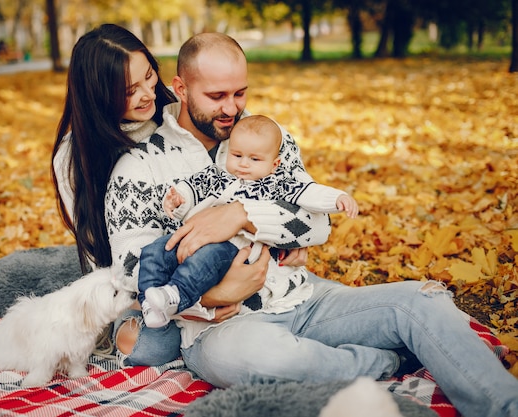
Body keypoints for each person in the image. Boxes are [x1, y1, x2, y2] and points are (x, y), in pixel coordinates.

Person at [105, 32, 518, 417]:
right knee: (264, 359)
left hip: (298, 295)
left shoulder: (266, 135)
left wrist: (244, 215)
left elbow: (316, 225)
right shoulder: (141, 165)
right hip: (221, 329)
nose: (232, 108)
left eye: (241, 92)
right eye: (217, 96)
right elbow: (132, 269)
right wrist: (212, 296)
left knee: (421, 302)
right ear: (180, 89)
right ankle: (385, 361)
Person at [138, 114, 358, 328]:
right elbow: (192, 188)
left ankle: (176, 295)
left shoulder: (276, 184)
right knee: (154, 251)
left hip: (233, 247)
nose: (243, 164)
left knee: (203, 261)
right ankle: (149, 300)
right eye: (237, 155)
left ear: (274, 164)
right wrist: (179, 199)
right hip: (194, 235)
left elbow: (308, 193)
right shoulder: (218, 176)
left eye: (254, 159)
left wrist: (337, 198)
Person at [51, 23, 182, 364]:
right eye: (128, 91)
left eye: (149, 76)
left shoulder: (175, 120)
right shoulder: (72, 158)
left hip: (200, 259)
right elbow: (101, 253)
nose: (148, 95)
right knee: (140, 344)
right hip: (134, 283)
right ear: (97, 96)